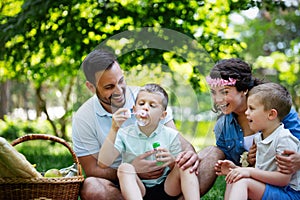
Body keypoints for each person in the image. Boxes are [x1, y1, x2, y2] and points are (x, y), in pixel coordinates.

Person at [71, 49, 200, 199]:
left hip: (168, 184)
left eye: (121, 81)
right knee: (92, 186)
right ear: (91, 87)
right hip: (128, 185)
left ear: (162, 115)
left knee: (207, 156)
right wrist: (133, 167)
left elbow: (182, 148)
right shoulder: (84, 119)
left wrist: (182, 159)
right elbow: (98, 166)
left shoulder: (148, 95)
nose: (119, 91)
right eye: (109, 87)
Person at [204, 58, 300, 188]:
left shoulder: (277, 109)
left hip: (286, 185)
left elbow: (295, 146)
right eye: (213, 93)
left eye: (224, 92)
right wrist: (247, 162)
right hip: (252, 185)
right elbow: (236, 170)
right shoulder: (222, 127)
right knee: (210, 153)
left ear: (243, 89)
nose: (217, 100)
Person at [97, 83, 200, 200]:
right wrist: (114, 129)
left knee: (184, 164)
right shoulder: (123, 133)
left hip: (167, 187)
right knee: (124, 168)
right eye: (141, 103)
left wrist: (172, 161)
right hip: (138, 189)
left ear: (163, 115)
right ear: (134, 109)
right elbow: (103, 163)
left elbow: (177, 167)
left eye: (152, 105)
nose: (145, 108)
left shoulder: (170, 134)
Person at [216, 82, 300, 199]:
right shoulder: (259, 137)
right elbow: (260, 171)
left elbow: (283, 179)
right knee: (235, 177)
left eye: (251, 108)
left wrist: (249, 172)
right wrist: (237, 170)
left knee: (242, 181)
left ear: (271, 114)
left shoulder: (284, 139)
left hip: (288, 193)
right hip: (270, 188)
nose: (246, 112)